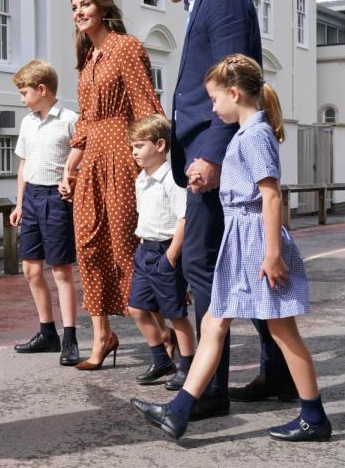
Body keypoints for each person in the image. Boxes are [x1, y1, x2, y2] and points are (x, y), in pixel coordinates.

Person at [131, 54, 331, 443]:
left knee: (283, 331)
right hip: (240, 239)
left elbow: (270, 196)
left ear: (235, 94)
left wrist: (272, 253)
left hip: (256, 241)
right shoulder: (246, 134)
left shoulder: (255, 135)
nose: (212, 107)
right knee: (213, 323)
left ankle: (314, 416)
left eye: (215, 99)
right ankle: (180, 411)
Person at [140, 0, 294, 412]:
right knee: (240, 267)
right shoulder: (203, 0)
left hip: (215, 155)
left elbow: (236, 79)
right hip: (205, 151)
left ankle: (207, 392)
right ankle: (278, 375)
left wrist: (211, 152)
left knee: (202, 265)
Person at [60, 0, 164, 370]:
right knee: (87, 246)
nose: (79, 12)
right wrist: (70, 165)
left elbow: (146, 106)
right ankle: (102, 335)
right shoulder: (88, 59)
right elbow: (85, 122)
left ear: (103, 7)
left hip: (123, 155)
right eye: (74, 7)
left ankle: (164, 334)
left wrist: (151, 162)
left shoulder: (126, 47)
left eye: (85, 4)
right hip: (91, 162)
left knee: (125, 247)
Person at [9, 59, 81, 366]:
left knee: (61, 271)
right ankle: (46, 332)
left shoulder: (69, 119)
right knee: (31, 270)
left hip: (56, 199)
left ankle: (70, 338)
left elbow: (81, 159)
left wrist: (70, 181)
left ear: (42, 89)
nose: (22, 99)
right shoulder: (27, 123)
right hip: (33, 199)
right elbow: (23, 164)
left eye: (24, 93)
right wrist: (19, 202)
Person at [126, 115, 196, 387]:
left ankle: (187, 366)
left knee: (176, 314)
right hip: (145, 250)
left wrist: (171, 257)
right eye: (132, 146)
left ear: (159, 145)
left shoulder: (172, 179)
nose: (134, 152)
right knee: (137, 308)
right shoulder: (141, 179)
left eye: (139, 146)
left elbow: (184, 218)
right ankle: (161, 359)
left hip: (167, 251)